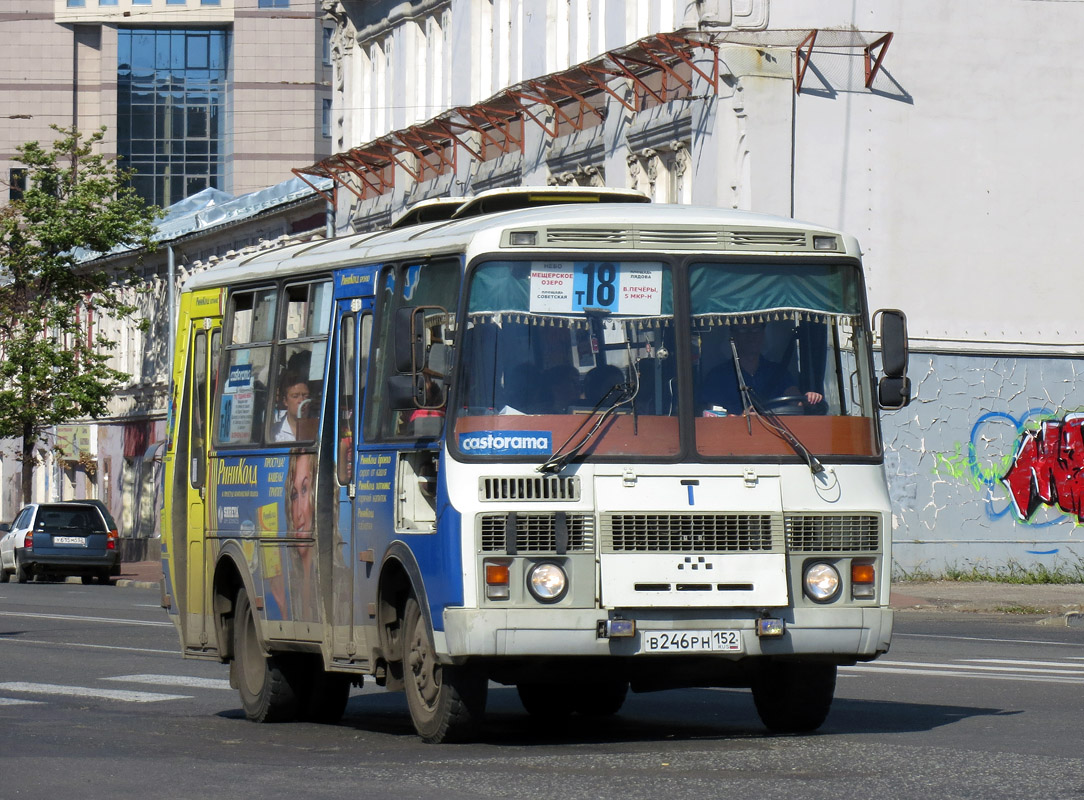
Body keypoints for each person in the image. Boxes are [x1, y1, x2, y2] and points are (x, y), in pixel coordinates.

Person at [701, 322, 823, 414]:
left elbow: (797, 402)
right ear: (733, 336)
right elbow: (712, 415)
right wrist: (741, 417)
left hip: (781, 439)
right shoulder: (717, 377)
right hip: (735, 443)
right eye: (743, 330)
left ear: (763, 334)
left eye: (756, 329)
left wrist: (809, 399)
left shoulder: (779, 373)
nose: (751, 336)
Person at [272, 373, 311, 441]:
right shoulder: (275, 432)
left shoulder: (318, 427)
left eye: (305, 396)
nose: (301, 401)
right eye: (295, 396)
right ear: (285, 401)